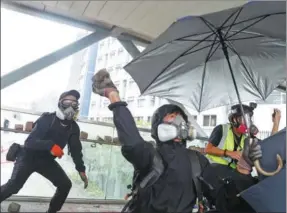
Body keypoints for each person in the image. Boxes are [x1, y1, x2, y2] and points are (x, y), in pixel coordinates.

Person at [92, 69, 210, 213]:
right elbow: (132, 141)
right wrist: (114, 97)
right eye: (172, 116)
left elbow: (220, 196)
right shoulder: (149, 155)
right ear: (158, 126)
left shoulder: (197, 160)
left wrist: (242, 166)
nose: (179, 121)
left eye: (181, 118)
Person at [0, 90, 88, 213]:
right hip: (28, 156)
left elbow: (75, 150)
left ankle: (52, 211)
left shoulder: (73, 127)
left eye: (74, 103)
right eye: (68, 101)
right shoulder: (47, 119)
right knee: (14, 186)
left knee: (65, 185)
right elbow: (29, 142)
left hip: (46, 161)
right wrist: (50, 145)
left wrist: (81, 169)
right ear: (60, 103)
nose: (71, 106)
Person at [204, 103, 281, 169]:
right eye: (243, 119)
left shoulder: (247, 137)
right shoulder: (222, 129)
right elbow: (207, 149)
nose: (247, 123)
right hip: (213, 168)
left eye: (248, 119)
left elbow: (268, 145)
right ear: (234, 120)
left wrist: (276, 123)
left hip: (231, 172)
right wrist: (229, 153)